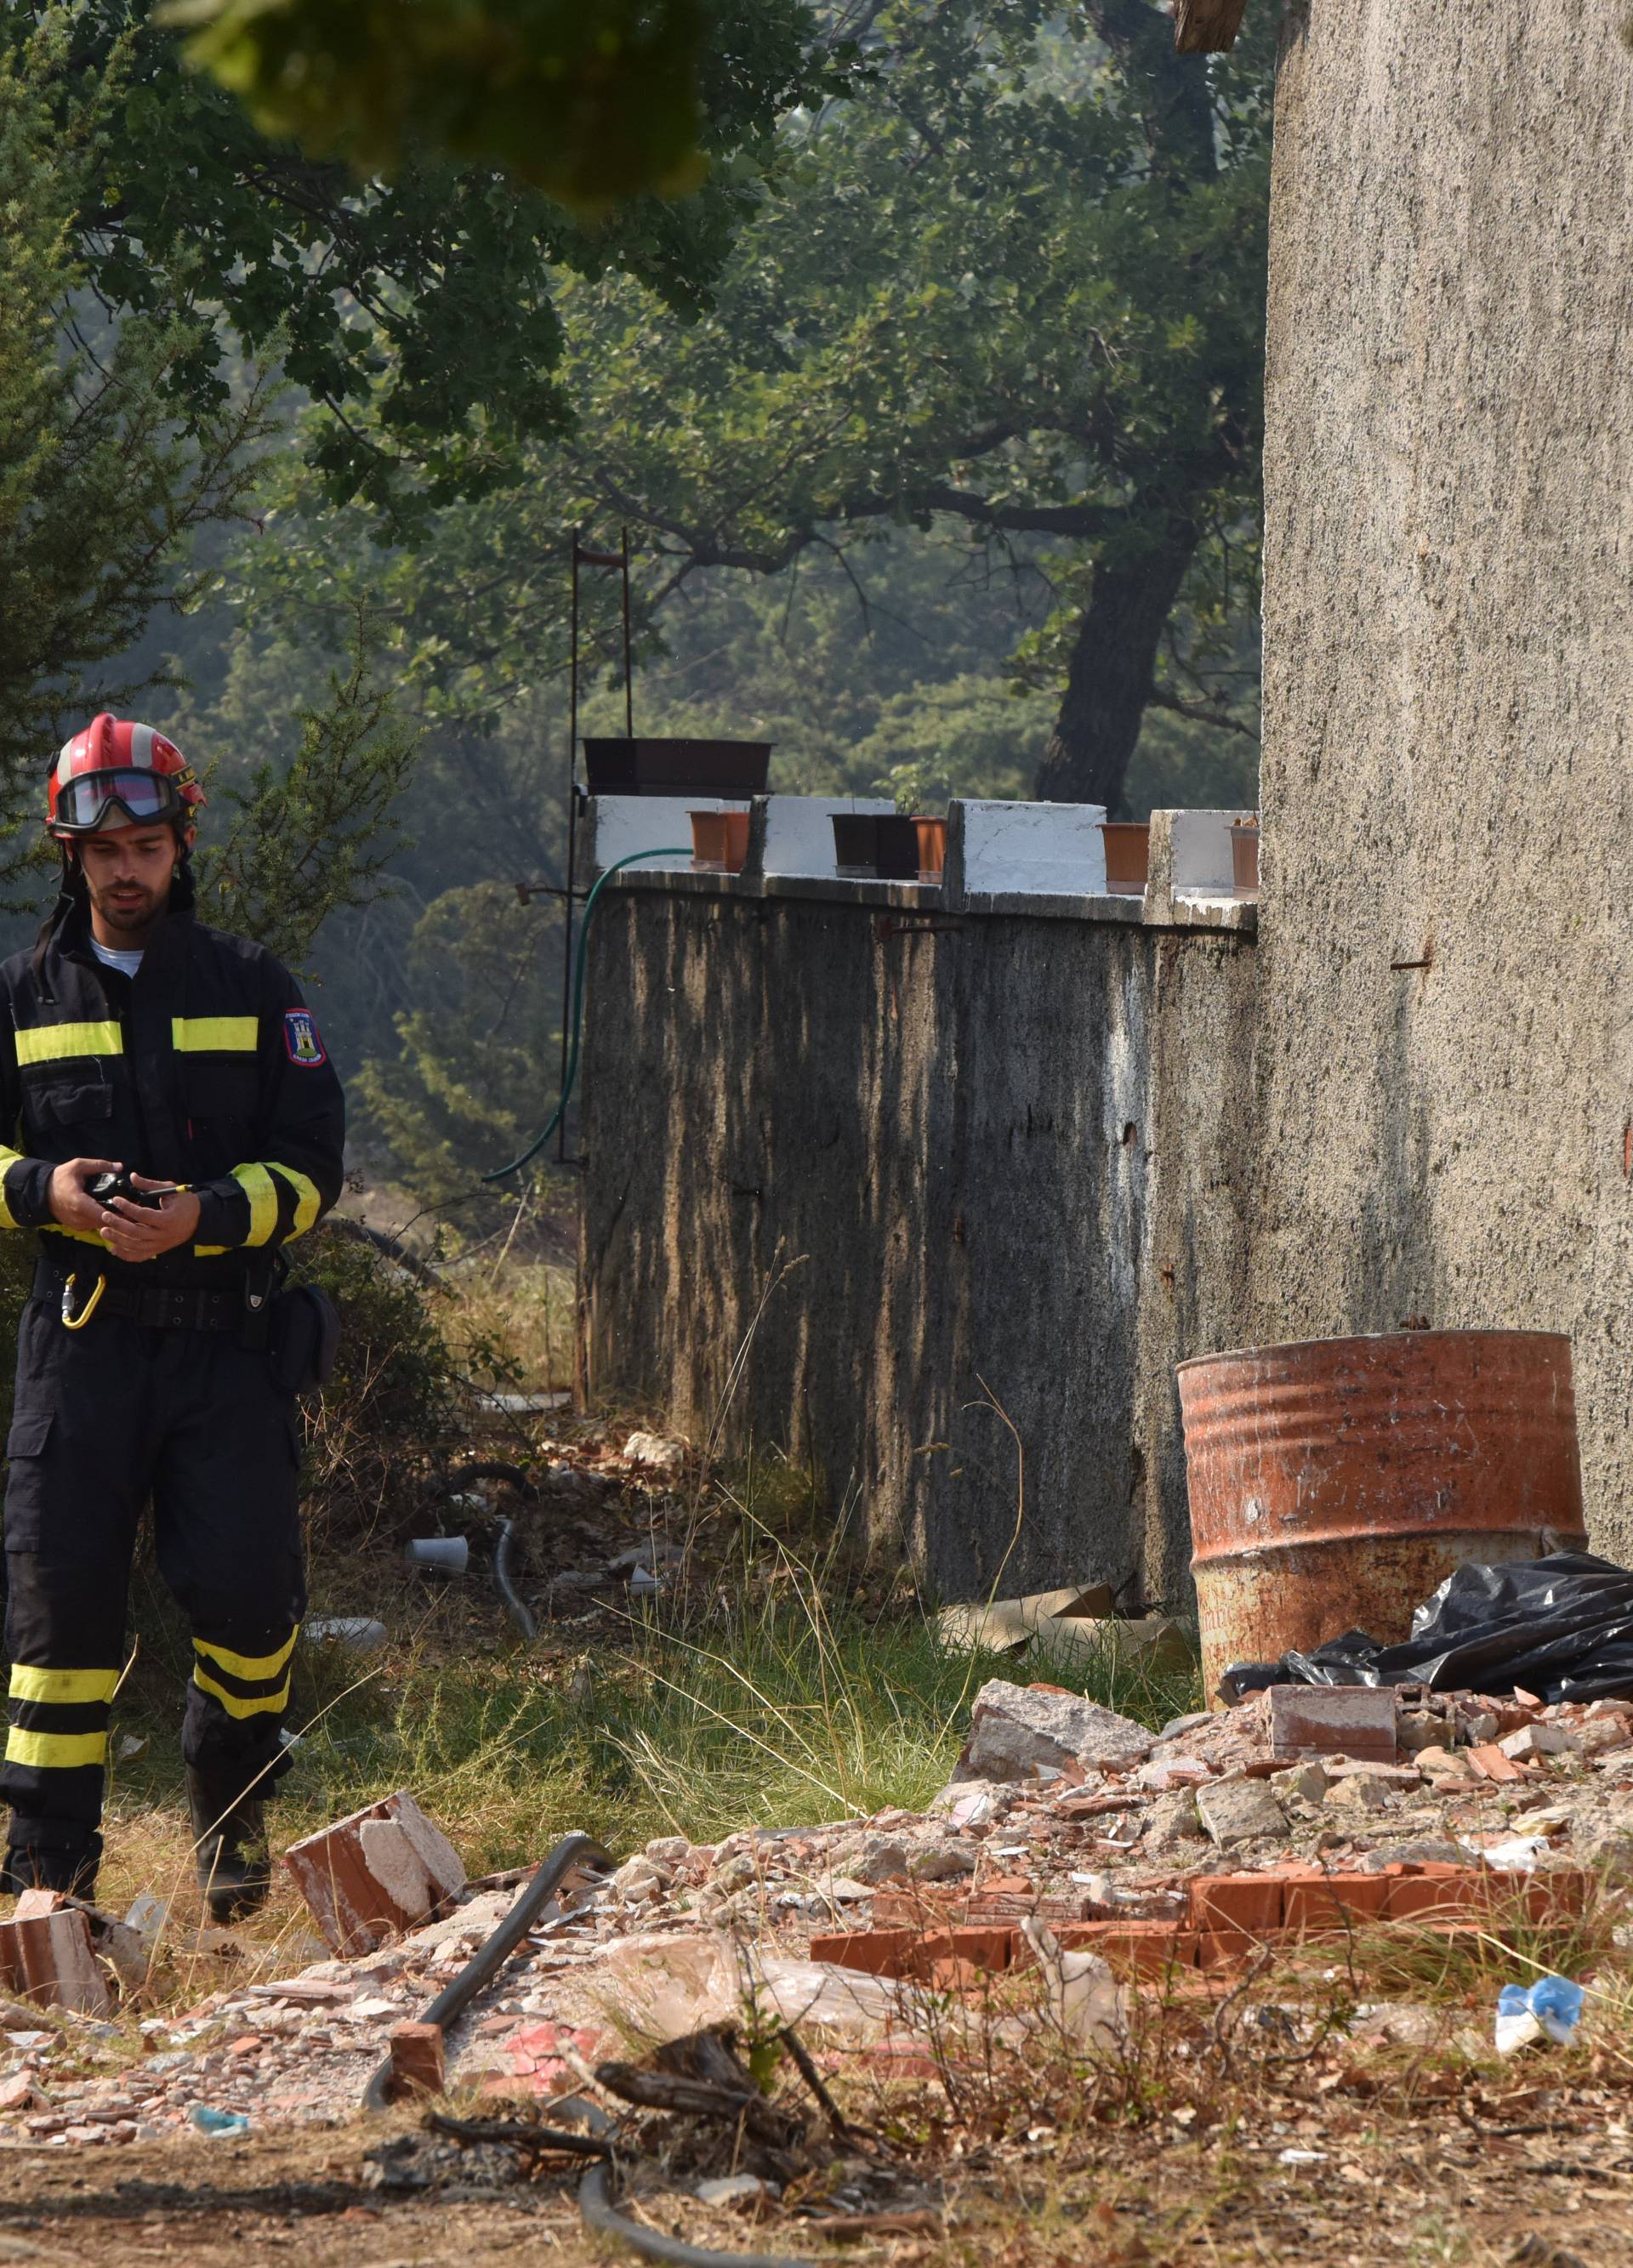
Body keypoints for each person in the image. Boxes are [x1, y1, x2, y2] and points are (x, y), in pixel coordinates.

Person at [0, 717, 344, 1918]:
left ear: (179, 843)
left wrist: (203, 1215)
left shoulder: (255, 989)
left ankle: (233, 1845)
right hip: (80, 1346)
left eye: (145, 844)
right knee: (59, 1627)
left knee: (253, 1614)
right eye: (101, 851)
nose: (124, 870)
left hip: (227, 1349)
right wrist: (40, 1190)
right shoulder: (20, 994)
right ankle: (49, 1899)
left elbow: (312, 1168)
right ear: (70, 855)